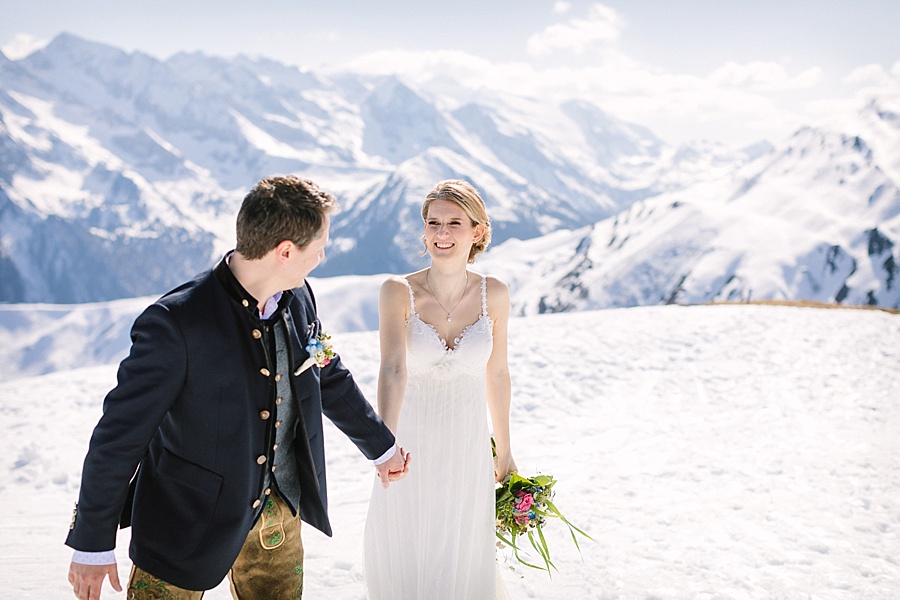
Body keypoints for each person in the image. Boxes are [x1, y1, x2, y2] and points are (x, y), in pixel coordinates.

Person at [65, 175, 410, 600]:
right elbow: (118, 437)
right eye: (320, 244)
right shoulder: (175, 324)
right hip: (183, 526)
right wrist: (92, 542)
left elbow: (325, 369)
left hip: (278, 517)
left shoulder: (299, 296)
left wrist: (381, 446)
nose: (323, 255)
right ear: (285, 251)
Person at [363, 179, 516, 599]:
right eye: (433, 223)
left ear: (477, 231)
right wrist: (386, 444)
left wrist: (504, 450)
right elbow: (392, 369)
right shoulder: (398, 291)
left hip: (466, 446)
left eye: (454, 223)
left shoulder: (495, 294)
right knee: (408, 545)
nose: (441, 234)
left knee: (462, 552)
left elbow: (497, 374)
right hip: (409, 444)